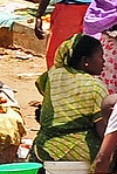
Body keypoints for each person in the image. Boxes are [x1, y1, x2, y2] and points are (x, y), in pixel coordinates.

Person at [33, 34, 108, 164]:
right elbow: (102, 131)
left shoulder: (51, 75)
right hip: (79, 152)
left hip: (44, 149)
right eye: (100, 56)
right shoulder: (95, 86)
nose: (104, 61)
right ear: (86, 60)